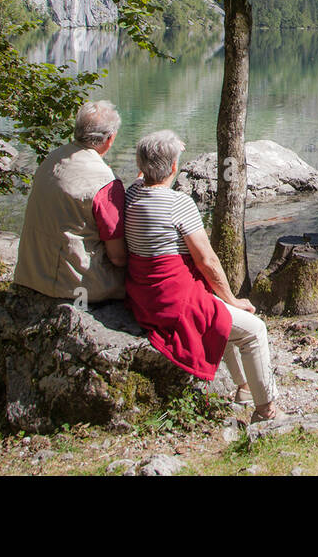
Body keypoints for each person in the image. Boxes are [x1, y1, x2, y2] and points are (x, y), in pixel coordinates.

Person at [122, 130, 279, 423]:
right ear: (172, 168)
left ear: (140, 166)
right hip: (173, 301)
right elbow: (206, 260)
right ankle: (266, 410)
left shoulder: (132, 194)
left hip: (143, 295)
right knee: (255, 329)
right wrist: (232, 298)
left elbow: (142, 176)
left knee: (225, 317)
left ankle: (245, 388)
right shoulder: (178, 204)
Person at [14, 99, 127, 302]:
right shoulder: (105, 182)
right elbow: (118, 257)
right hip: (75, 286)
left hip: (31, 274)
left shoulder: (52, 158)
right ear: (110, 138)